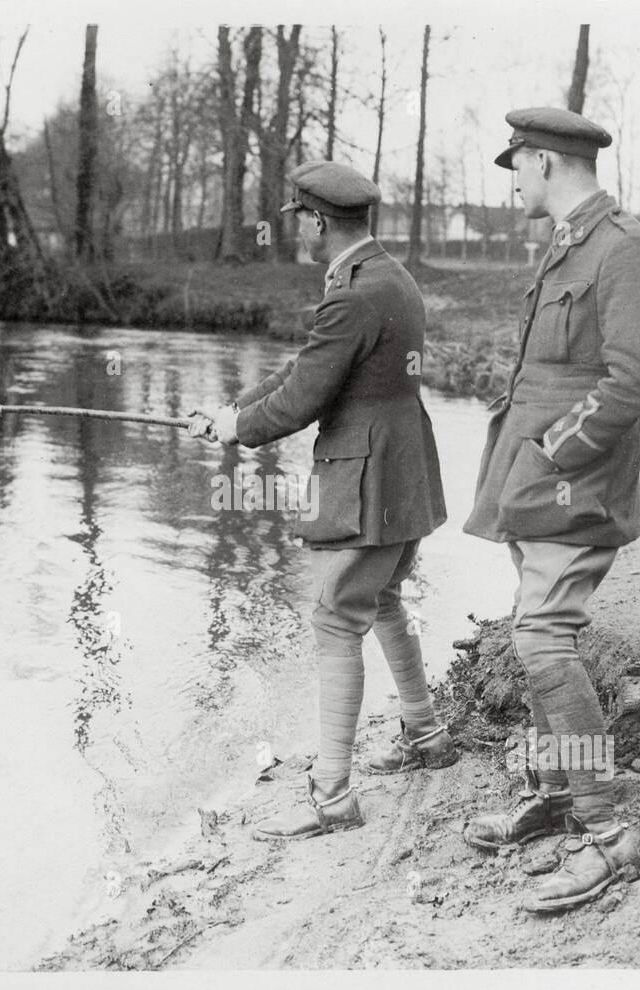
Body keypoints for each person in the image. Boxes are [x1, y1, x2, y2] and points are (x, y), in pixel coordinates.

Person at [189, 160, 451, 842]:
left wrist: (239, 429)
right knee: (384, 596)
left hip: (367, 476)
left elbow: (306, 394)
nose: (294, 229)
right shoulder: (389, 278)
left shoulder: (353, 295)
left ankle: (333, 795)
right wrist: (231, 407)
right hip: (406, 471)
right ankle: (426, 731)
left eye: (298, 219)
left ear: (317, 221)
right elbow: (305, 367)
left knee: (337, 617)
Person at [461, 108, 640, 911]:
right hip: (532, 477)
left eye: (517, 163)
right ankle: (553, 793)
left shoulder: (625, 249)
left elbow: (634, 385)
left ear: (545, 161)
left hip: (571, 480)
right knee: (537, 624)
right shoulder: (569, 241)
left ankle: (607, 831)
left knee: (543, 635)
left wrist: (551, 452)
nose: (513, 178)